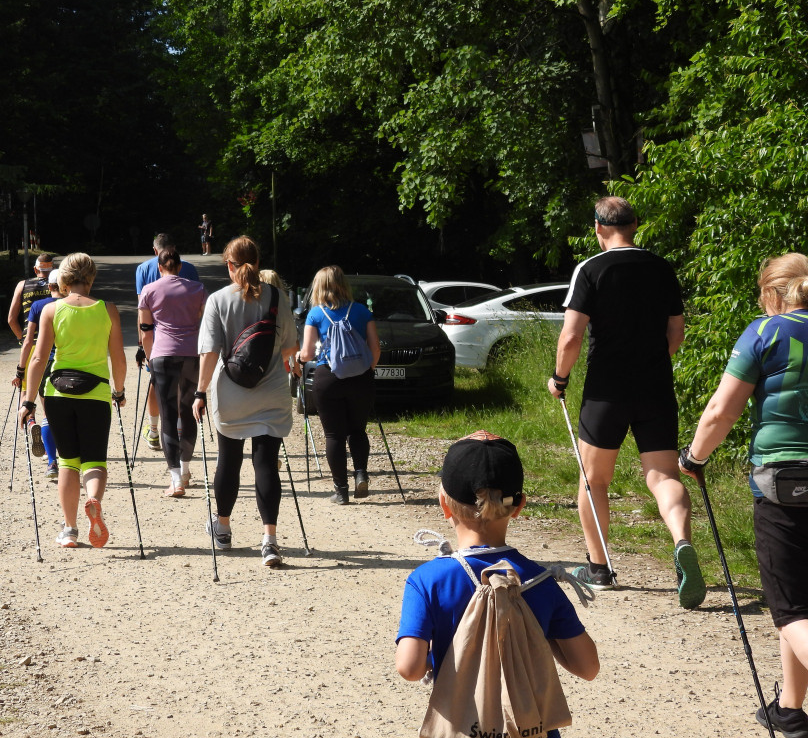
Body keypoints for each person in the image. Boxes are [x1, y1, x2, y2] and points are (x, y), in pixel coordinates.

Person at [547, 195, 706, 609]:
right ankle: (682, 542)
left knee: (594, 478)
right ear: (636, 225)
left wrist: (559, 378)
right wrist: (653, 364)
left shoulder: (591, 269)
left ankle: (599, 569)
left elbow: (571, 336)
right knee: (663, 476)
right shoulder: (661, 268)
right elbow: (676, 332)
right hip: (655, 386)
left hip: (606, 390)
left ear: (598, 228)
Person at [396, 430, 599, 738]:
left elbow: (409, 668)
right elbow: (587, 667)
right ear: (519, 506)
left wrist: (439, 656)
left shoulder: (427, 581)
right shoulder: (540, 581)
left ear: (444, 504)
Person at [679, 252, 808, 738]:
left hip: (786, 484)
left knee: (791, 609)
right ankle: (790, 709)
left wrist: (694, 456)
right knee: (798, 601)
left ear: (772, 294)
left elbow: (720, 412)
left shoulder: (765, 332)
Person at [192, 236, 298, 567]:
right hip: (272, 393)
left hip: (231, 394)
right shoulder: (278, 298)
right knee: (266, 464)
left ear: (229, 265)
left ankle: (222, 529)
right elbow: (290, 350)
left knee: (229, 460)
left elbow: (210, 353)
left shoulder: (218, 301)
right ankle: (269, 541)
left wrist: (199, 392)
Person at [19, 253, 127, 549]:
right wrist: (119, 391)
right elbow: (118, 357)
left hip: (58, 393)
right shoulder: (108, 310)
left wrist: (28, 400)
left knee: (68, 462)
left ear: (64, 279)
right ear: (91, 278)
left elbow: (39, 357)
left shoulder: (51, 310)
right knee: (95, 460)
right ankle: (93, 499)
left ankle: (69, 530)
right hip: (96, 393)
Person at [298, 265, 381, 504]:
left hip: (328, 378)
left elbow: (306, 352)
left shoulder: (315, 314)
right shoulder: (362, 311)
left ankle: (341, 491)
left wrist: (299, 358)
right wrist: (367, 370)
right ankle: (361, 473)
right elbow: (375, 349)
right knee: (358, 430)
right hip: (360, 379)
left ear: (319, 286)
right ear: (344, 284)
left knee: (334, 435)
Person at [138, 247, 207, 497]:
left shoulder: (149, 290)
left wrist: (148, 357)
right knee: (189, 412)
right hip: (192, 355)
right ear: (179, 266)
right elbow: (205, 324)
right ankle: (187, 470)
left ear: (159, 267)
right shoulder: (198, 290)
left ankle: (175, 480)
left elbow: (145, 330)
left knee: (168, 415)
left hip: (162, 355)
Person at [135, 234, 200, 451]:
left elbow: (142, 313)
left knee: (156, 382)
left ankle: (154, 430)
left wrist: (141, 347)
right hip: (188, 342)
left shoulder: (143, 270)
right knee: (183, 387)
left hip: (157, 341)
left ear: (155, 251)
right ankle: (181, 428)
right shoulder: (189, 268)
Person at [13, 269, 62, 480]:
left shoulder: (38, 306)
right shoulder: (76, 305)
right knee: (67, 413)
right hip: (69, 362)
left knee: (48, 411)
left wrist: (20, 369)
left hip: (44, 361)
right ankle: (74, 458)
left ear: (49, 287)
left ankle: (52, 461)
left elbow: (27, 340)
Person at [7, 253, 54, 341]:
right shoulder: (58, 286)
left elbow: (11, 320)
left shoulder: (22, 285)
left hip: (30, 341)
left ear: (35, 270)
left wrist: (22, 338)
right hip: (52, 342)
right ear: (53, 270)